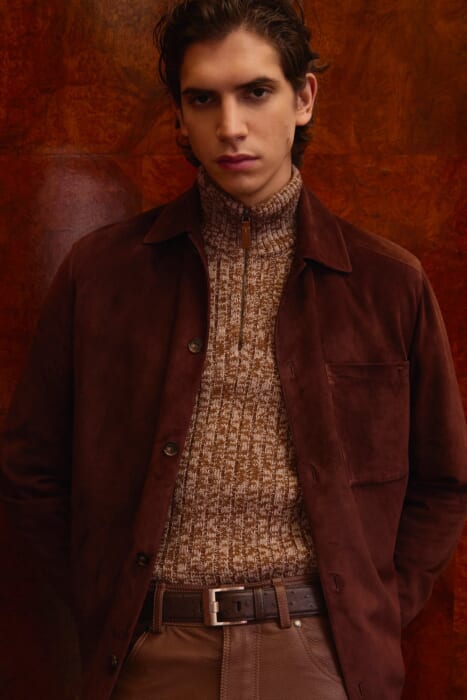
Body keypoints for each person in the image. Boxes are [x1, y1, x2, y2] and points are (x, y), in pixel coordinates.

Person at [1, 1, 466, 699]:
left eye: (255, 92)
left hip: (320, 656)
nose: (230, 126)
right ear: (178, 116)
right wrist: (105, 597)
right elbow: (32, 469)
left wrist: (371, 613)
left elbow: (442, 481)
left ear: (303, 98)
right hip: (150, 652)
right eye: (203, 99)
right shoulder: (101, 274)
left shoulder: (386, 282)